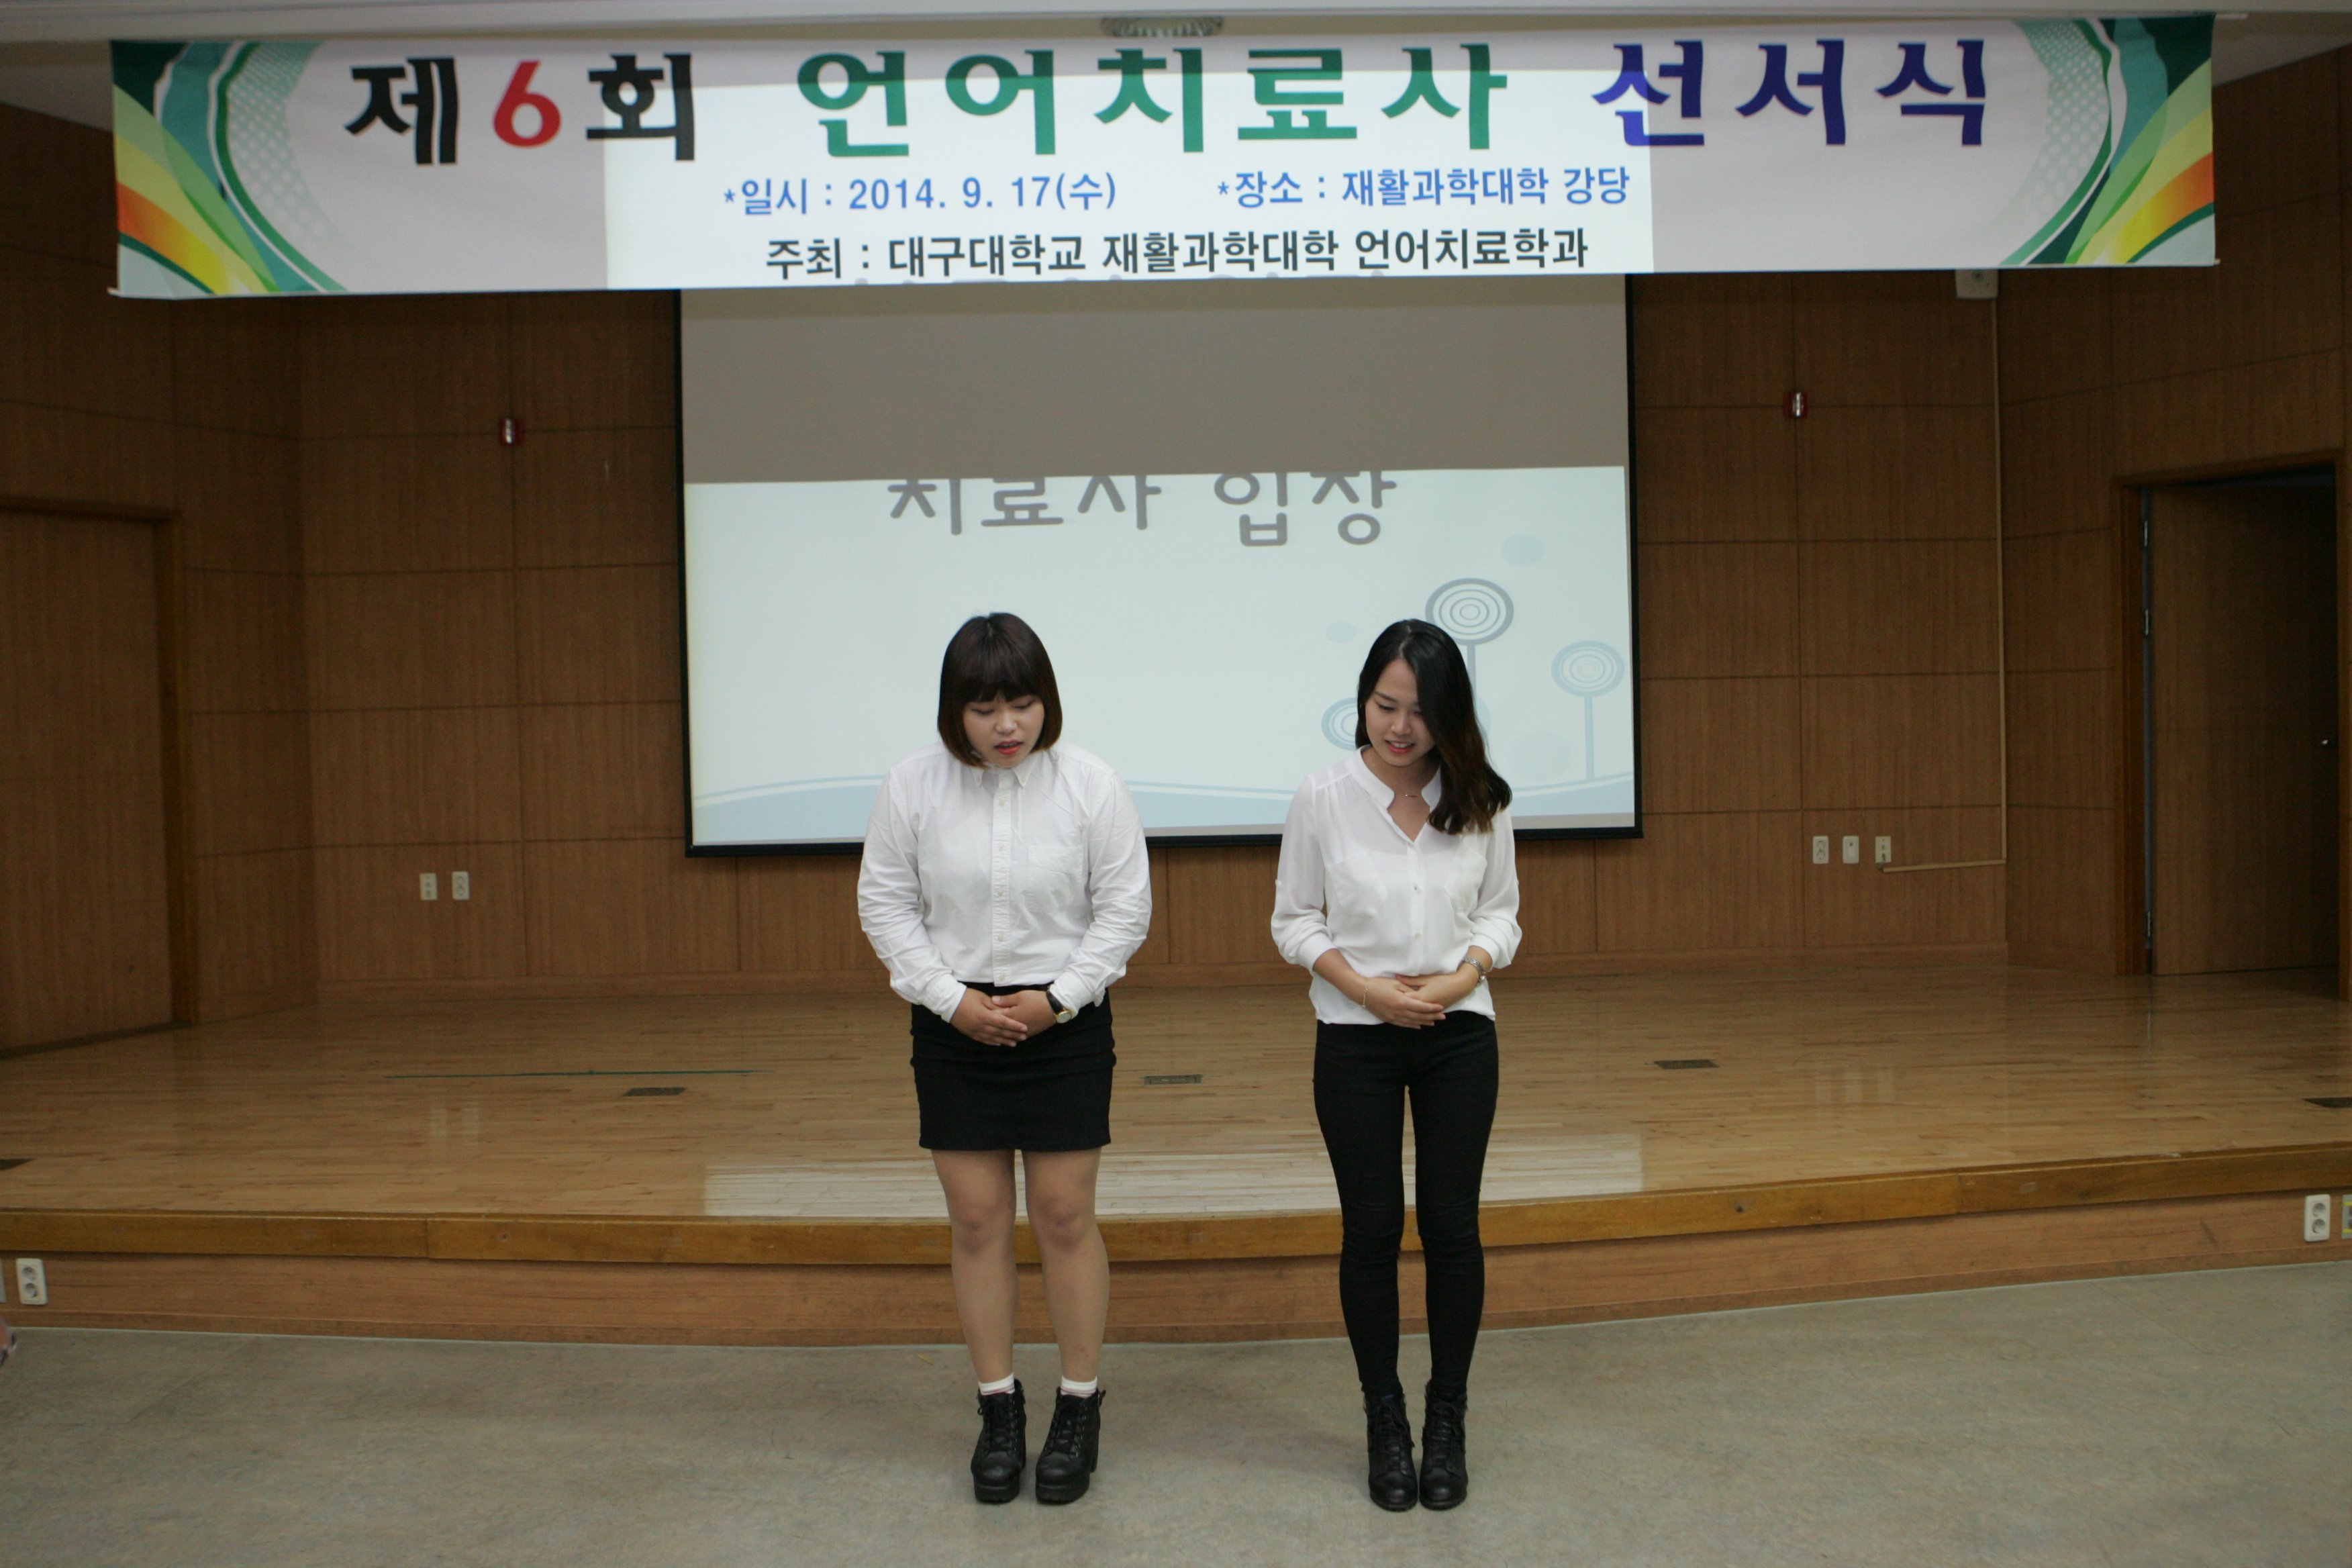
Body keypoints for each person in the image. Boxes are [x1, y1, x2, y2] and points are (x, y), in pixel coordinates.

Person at [857, 612, 1151, 1506]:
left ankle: (1078, 1404)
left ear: (1046, 700)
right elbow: (886, 906)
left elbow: (1124, 911)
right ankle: (998, 1408)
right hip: (954, 1025)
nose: (1006, 724)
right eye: (984, 708)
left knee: (1063, 1214)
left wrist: (1058, 999)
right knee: (979, 1220)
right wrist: (949, 1000)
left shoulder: (1092, 784)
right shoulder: (912, 785)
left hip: (1065, 1023)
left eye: (1021, 703)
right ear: (956, 711)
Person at [1271, 618, 1520, 1512]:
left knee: (1452, 1229)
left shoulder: (1480, 796)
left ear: (1448, 713)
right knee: (1371, 1230)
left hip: (1459, 1036)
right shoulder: (1323, 796)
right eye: (1385, 705)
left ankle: (1447, 1418)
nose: (1400, 727)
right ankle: (1385, 1420)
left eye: (1419, 711)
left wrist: (1461, 977)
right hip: (1355, 1037)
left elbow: (1501, 914)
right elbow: (1294, 920)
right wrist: (1366, 991)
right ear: (1363, 701)